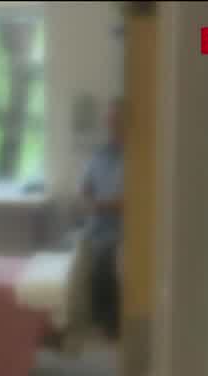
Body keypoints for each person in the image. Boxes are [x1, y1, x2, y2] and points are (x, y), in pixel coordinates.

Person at [81, 99, 124, 339]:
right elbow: (85, 188)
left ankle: (110, 327)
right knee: (77, 253)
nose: (112, 124)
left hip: (123, 231)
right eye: (109, 120)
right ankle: (95, 322)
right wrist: (93, 203)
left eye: (117, 120)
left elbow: (134, 203)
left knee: (105, 258)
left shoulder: (140, 157)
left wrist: (100, 205)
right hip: (96, 226)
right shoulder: (99, 154)